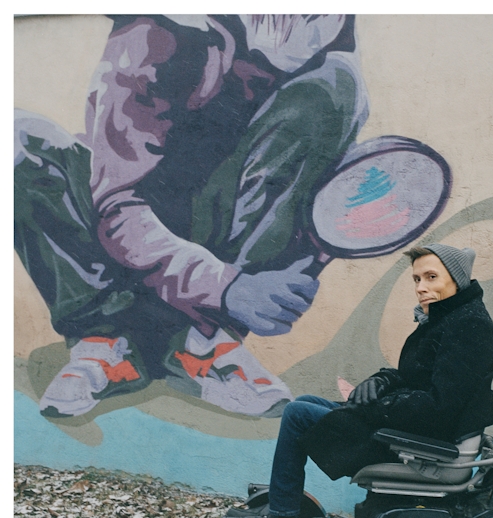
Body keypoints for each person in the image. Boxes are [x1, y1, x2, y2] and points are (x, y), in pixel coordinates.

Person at [15, 15, 364, 418]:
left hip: (214, 230)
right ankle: (104, 338)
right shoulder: (154, 36)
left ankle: (205, 340)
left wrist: (290, 266)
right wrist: (228, 288)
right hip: (129, 232)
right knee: (18, 138)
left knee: (334, 87)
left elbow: (310, 200)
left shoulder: (333, 69)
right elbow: (117, 205)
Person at [226, 244, 493, 518]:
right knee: (307, 401)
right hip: (416, 430)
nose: (421, 287)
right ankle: (285, 509)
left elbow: (440, 406)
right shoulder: (449, 317)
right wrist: (381, 380)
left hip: (426, 445)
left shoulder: (468, 325)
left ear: (456, 280)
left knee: (297, 414)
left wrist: (377, 406)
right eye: (417, 279)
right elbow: (417, 376)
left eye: (431, 277)